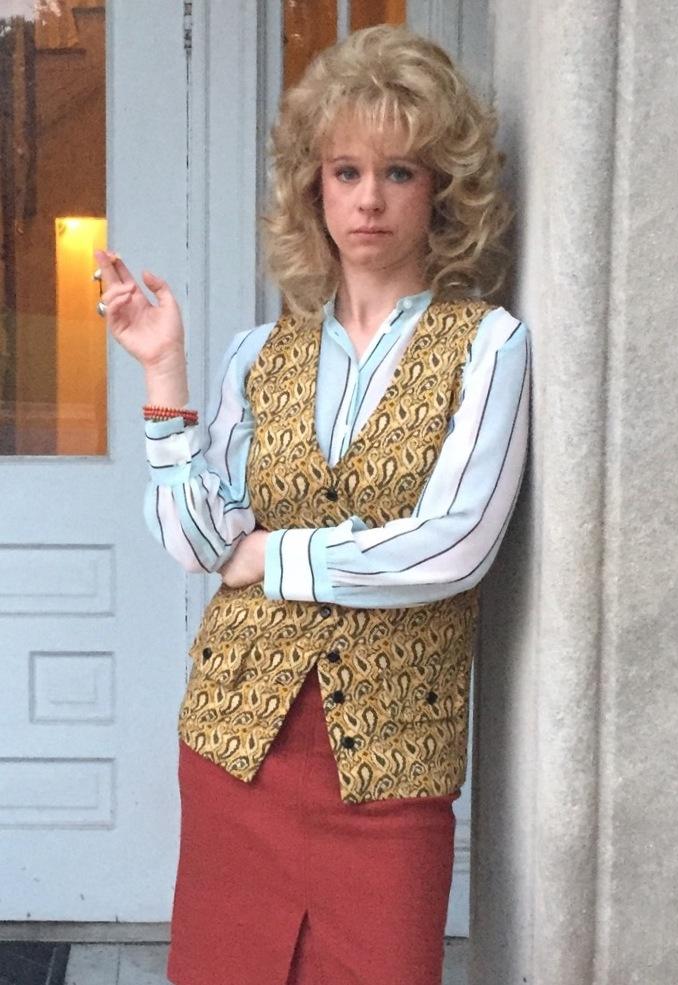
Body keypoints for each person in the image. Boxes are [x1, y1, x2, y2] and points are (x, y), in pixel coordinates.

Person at [93, 23, 531, 985]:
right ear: (314, 189)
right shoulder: (259, 354)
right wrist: (164, 373)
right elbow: (199, 541)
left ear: (442, 188)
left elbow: (452, 545)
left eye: (399, 171)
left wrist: (272, 556)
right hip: (234, 745)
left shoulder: (489, 345)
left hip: (389, 766)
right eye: (346, 171)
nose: (369, 198)